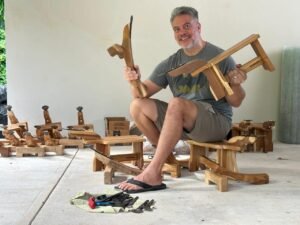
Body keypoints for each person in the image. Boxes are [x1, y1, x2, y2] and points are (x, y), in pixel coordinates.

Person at [117, 6, 247, 193]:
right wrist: (133, 80)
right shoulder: (170, 63)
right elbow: (140, 94)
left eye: (187, 26)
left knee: (176, 103)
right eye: (177, 29)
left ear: (198, 27)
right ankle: (165, 157)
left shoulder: (220, 57)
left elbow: (236, 101)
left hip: (215, 121)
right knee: (137, 106)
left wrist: (236, 84)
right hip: (182, 122)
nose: (182, 33)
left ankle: (153, 172)